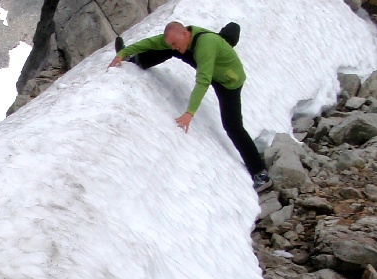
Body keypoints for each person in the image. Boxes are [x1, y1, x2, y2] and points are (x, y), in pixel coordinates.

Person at [109, 21, 270, 191]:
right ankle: (137, 60)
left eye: (175, 43)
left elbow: (203, 81)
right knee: (171, 49)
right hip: (211, 67)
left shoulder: (205, 45)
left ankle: (259, 173)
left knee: (233, 126)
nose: (174, 46)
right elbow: (152, 42)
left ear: (185, 34)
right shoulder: (182, 38)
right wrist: (124, 52)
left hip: (228, 81)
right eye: (172, 43)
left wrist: (189, 112)